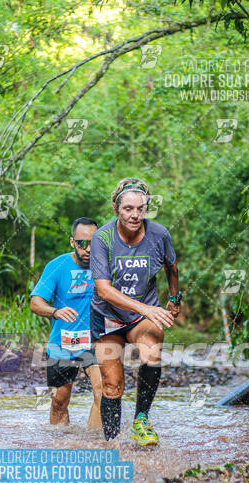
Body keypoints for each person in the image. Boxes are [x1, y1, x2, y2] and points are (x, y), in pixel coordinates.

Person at [90, 177, 181, 446]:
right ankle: (112, 444)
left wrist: (174, 298)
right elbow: (104, 290)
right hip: (107, 316)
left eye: (141, 209)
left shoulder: (159, 234)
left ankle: (141, 419)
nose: (135, 215)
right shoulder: (102, 238)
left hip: (142, 317)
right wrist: (147, 308)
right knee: (112, 385)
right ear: (117, 209)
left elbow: (172, 266)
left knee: (153, 347)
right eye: (128, 209)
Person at [30, 217, 102, 427]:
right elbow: (36, 302)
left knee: (103, 392)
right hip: (62, 343)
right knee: (59, 402)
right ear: (72, 242)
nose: (88, 249)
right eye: (82, 243)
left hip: (95, 341)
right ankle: (60, 445)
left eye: (93, 243)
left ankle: (94, 445)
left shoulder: (107, 265)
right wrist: (55, 311)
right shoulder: (57, 266)